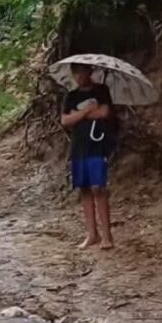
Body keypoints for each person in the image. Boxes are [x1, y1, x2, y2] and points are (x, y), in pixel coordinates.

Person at [61, 63, 115, 250]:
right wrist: (86, 111)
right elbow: (66, 120)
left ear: (89, 72)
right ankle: (92, 234)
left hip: (97, 144)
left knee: (98, 187)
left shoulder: (101, 91)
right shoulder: (72, 95)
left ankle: (107, 235)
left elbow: (104, 112)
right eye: (75, 73)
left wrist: (80, 114)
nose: (78, 77)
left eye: (82, 72)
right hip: (79, 146)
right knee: (84, 189)